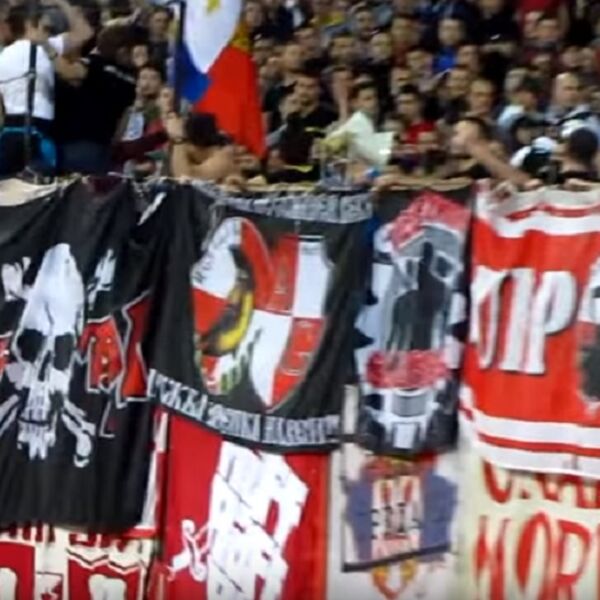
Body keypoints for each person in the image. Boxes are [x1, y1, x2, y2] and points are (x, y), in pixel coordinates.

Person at [0, 0, 92, 175]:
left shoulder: (3, 56)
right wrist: (62, 3)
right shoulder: (46, 48)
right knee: (41, 187)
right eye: (45, 25)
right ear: (30, 24)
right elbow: (85, 32)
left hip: (9, 132)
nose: (48, 28)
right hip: (38, 133)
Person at [166, 112, 237, 181]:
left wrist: (178, 140)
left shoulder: (223, 158)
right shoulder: (198, 155)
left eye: (185, 143)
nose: (183, 151)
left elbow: (184, 177)